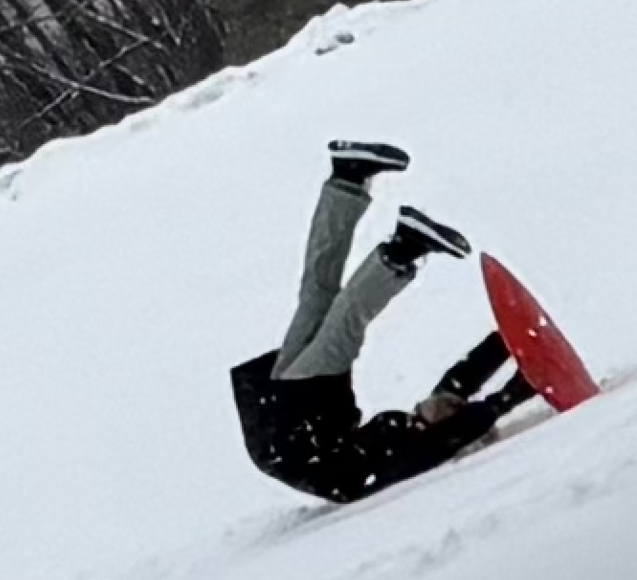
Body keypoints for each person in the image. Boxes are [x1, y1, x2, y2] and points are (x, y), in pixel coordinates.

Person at [230, 141, 539, 503]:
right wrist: (506, 340)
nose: (447, 401)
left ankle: (402, 248)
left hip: (300, 431)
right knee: (319, 296)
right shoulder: (407, 436)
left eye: (448, 410)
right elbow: (461, 383)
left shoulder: (399, 457)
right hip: (283, 422)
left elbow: (458, 428)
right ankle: (346, 180)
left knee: (346, 319)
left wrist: (516, 391)